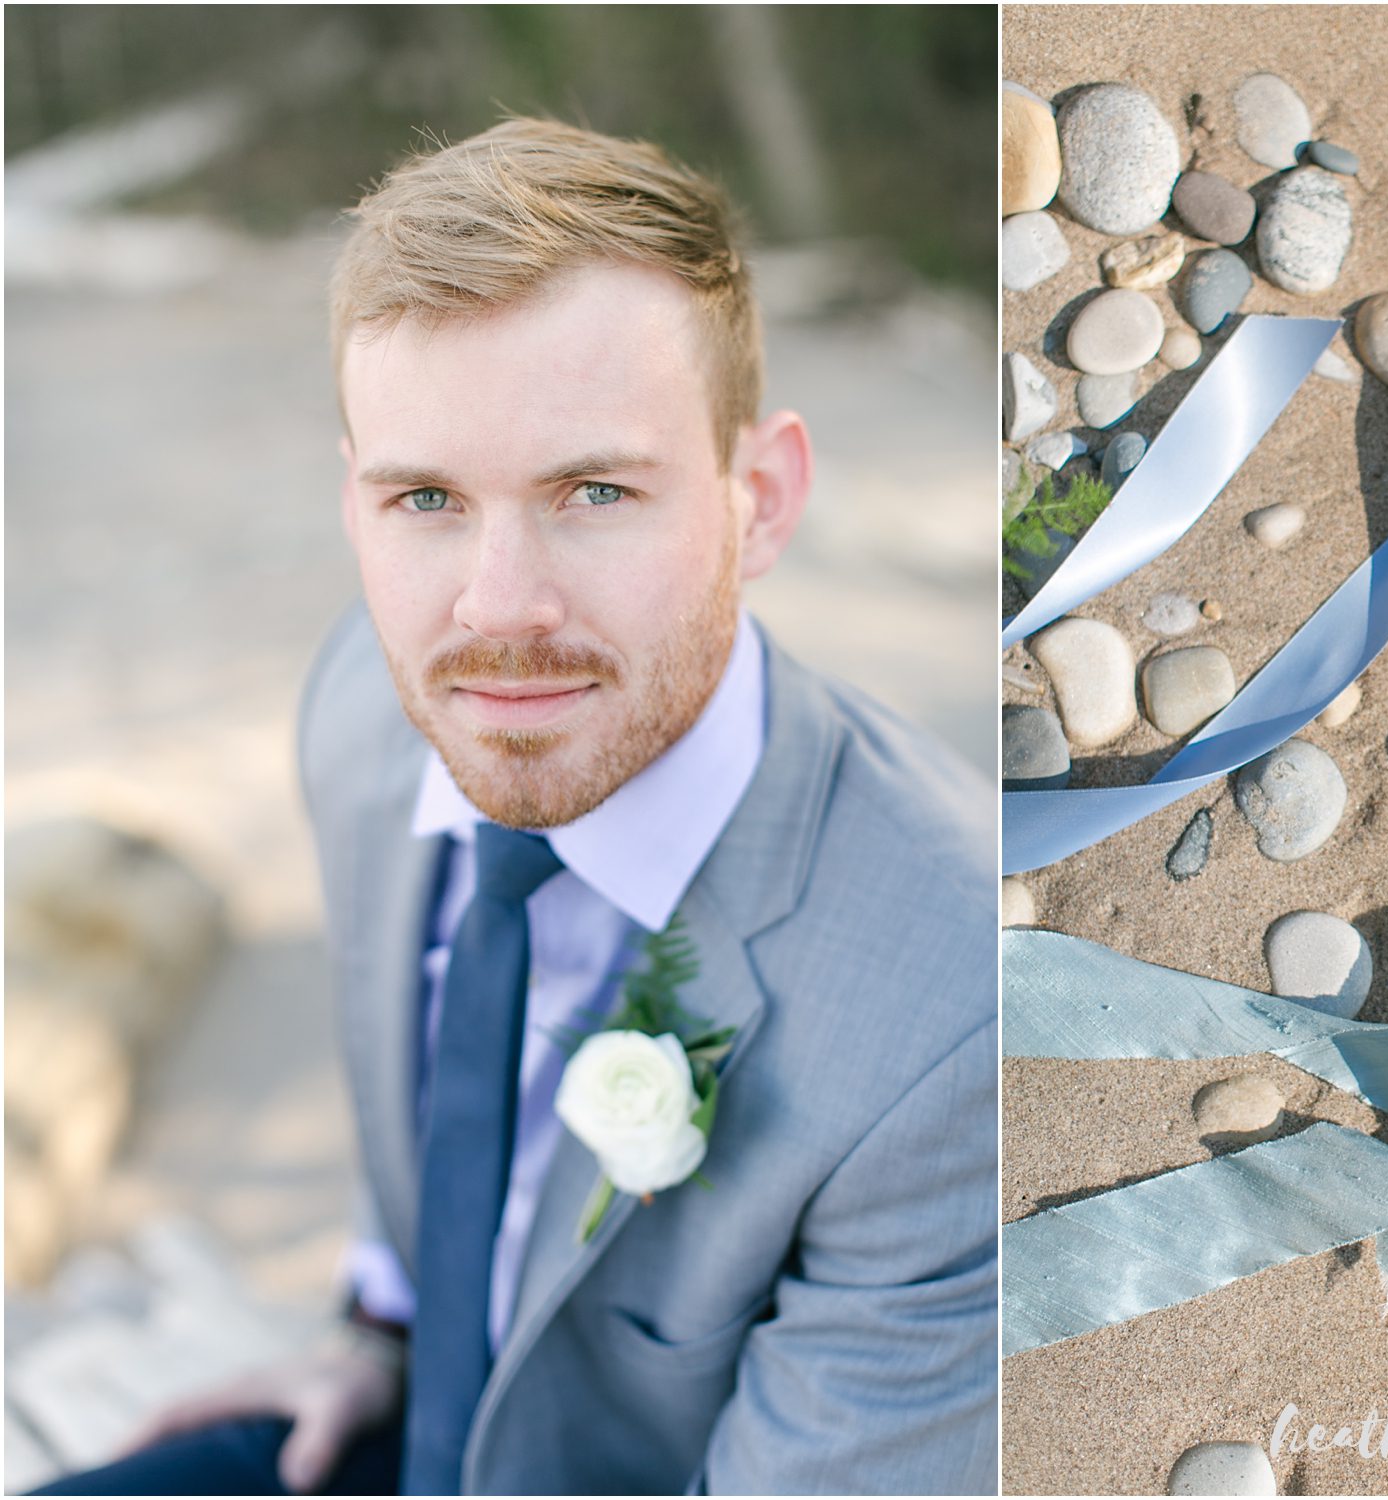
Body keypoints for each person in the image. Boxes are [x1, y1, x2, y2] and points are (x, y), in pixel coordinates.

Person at [33, 117, 996, 1496]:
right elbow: (436, 1083)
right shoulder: (362, 712)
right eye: (426, 497)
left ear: (762, 500)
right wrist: (376, 1329)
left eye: (594, 491)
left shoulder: (954, 1021)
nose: (497, 611)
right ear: (354, 506)